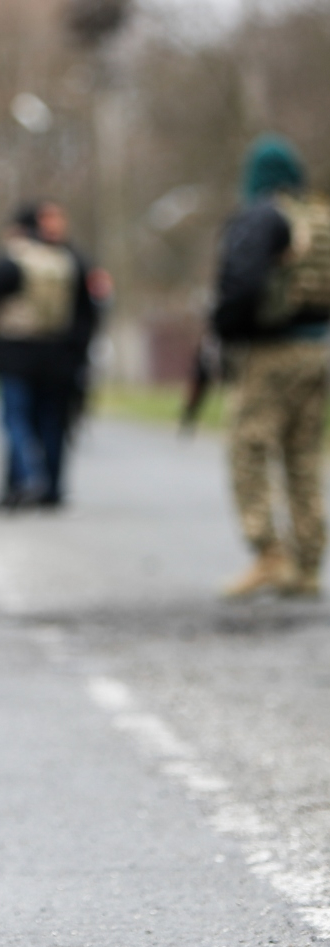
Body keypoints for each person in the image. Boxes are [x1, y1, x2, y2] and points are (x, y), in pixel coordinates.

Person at [213, 135, 330, 599]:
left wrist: (225, 327)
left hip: (270, 353)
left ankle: (269, 553)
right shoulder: (319, 215)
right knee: (302, 454)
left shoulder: (264, 214)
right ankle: (308, 562)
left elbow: (241, 284)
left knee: (249, 448)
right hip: (317, 350)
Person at [0, 201, 97, 509]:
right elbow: (88, 312)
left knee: (15, 420)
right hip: (60, 357)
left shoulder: (13, 261)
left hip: (16, 355)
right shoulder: (71, 260)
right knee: (53, 423)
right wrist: (77, 353)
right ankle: (51, 490)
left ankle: (27, 479)